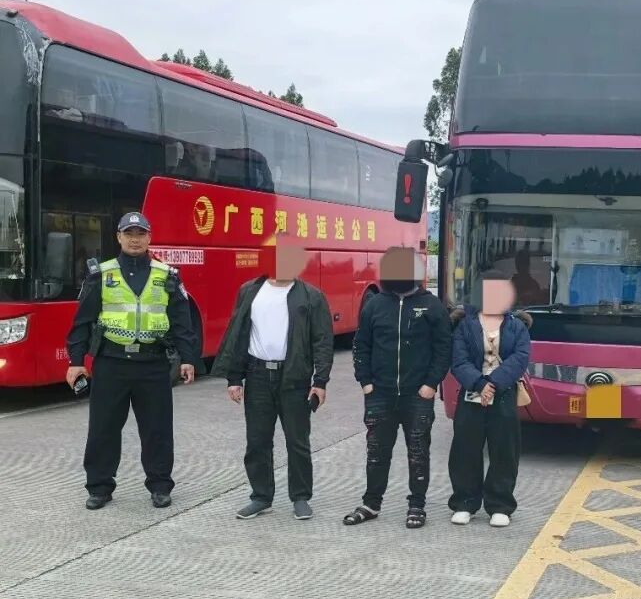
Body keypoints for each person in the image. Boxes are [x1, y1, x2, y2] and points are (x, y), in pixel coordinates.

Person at [65, 212, 197, 510]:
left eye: (140, 234)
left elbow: (182, 322)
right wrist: (76, 361)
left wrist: (188, 358)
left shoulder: (167, 276)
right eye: (129, 234)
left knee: (157, 429)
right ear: (119, 237)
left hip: (153, 364)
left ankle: (160, 486)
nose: (135, 240)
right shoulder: (101, 274)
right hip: (111, 363)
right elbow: (82, 322)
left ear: (149, 237)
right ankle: (99, 487)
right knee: (103, 428)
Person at [212, 237, 333, 521]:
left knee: (297, 441)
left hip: (294, 378)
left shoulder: (311, 296)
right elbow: (238, 334)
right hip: (257, 376)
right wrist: (234, 377)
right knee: (257, 441)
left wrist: (320, 381)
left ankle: (300, 497)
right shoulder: (250, 292)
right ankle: (261, 497)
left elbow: (322, 340)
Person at [347, 246, 452, 529]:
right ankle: (371, 503)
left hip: (417, 395)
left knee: (418, 452)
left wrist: (431, 384)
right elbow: (361, 345)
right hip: (379, 394)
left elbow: (444, 348)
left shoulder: (432, 306)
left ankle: (417, 505)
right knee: (376, 452)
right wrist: (366, 382)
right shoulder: (375, 305)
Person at [447, 274, 531, 528]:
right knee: (465, 449)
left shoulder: (517, 325)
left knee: (504, 450)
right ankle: (465, 503)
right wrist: (480, 384)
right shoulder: (465, 324)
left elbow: (520, 358)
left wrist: (493, 384)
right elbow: (459, 361)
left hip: (503, 394)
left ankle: (500, 505)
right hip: (471, 393)